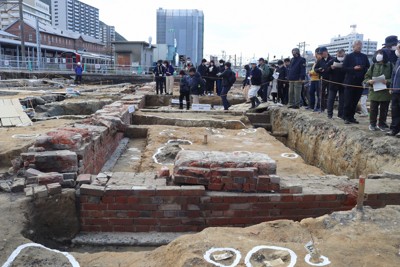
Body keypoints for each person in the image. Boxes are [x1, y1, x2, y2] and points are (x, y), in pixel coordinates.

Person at [364, 50, 393, 131]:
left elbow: (394, 78)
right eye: (378, 54)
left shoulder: (390, 65)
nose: (378, 55)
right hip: (374, 91)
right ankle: (372, 124)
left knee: (384, 109)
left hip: (385, 92)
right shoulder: (373, 66)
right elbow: (366, 77)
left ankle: (382, 124)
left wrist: (387, 81)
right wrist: (369, 81)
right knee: (373, 109)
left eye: (381, 54)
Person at [342, 40, 370, 124]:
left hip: (360, 82)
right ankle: (346, 117)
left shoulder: (364, 57)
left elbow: (367, 67)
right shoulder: (349, 56)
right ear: (353, 46)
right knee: (348, 100)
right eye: (357, 45)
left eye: (360, 45)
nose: (359, 46)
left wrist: (362, 67)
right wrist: (353, 68)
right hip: (350, 81)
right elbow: (344, 68)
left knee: (355, 101)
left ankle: (351, 117)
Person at [326, 49, 346, 119]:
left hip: (343, 83)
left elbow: (349, 71)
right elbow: (326, 70)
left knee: (342, 100)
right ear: (336, 54)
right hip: (333, 83)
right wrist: (331, 68)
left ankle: (340, 114)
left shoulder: (346, 61)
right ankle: (329, 114)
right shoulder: (332, 61)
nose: (340, 56)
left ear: (344, 54)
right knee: (331, 99)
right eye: (339, 55)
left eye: (342, 55)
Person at [315, 46, 333, 112]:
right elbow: (315, 69)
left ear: (326, 52)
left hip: (330, 79)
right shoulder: (320, 60)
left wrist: (330, 68)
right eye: (320, 54)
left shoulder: (332, 59)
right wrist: (319, 70)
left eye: (322, 53)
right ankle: (322, 108)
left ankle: (329, 108)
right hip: (322, 79)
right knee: (321, 94)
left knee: (329, 94)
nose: (321, 55)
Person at [387, 44, 400, 137]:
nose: (397, 50)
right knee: (395, 110)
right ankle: (394, 129)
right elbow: (393, 75)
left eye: (398, 48)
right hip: (395, 91)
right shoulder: (398, 61)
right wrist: (391, 86)